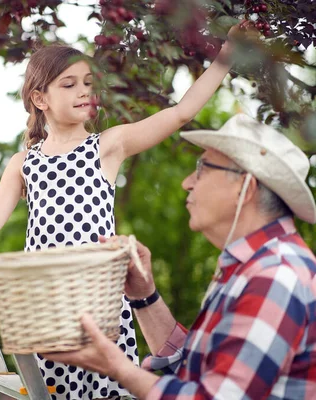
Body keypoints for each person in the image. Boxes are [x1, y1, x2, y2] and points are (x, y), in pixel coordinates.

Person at [0, 22, 254, 400]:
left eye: (87, 83)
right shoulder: (23, 163)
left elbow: (181, 112)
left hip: (100, 302)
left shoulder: (107, 146)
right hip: (49, 306)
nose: (83, 91)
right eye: (68, 85)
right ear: (41, 99)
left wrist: (226, 57)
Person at [44, 114, 316, 399]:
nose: (188, 182)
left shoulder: (276, 275)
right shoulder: (255, 267)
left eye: (202, 168)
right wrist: (143, 294)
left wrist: (117, 367)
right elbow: (195, 371)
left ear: (244, 189)